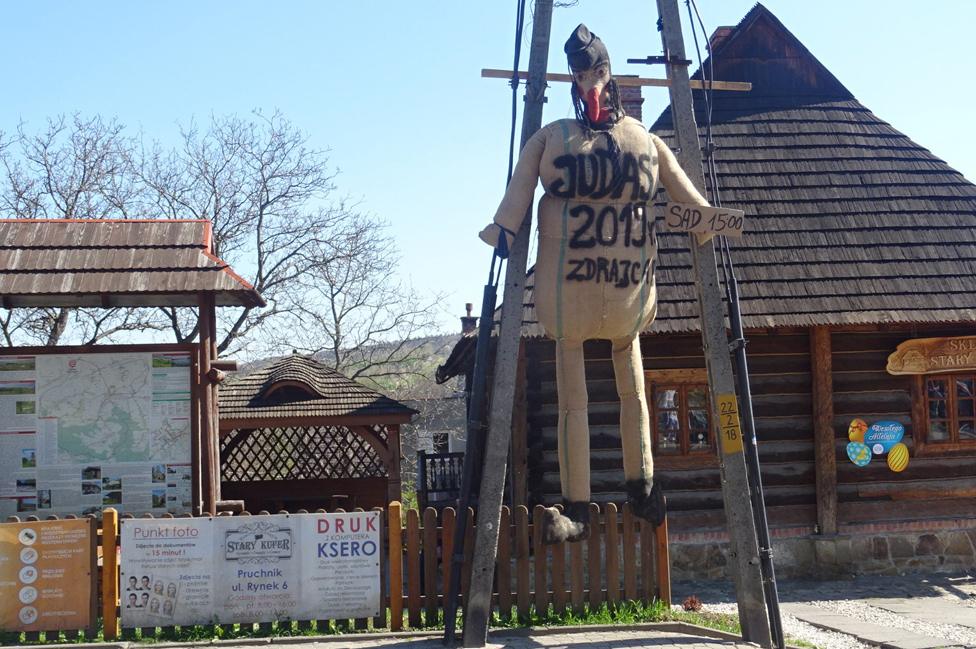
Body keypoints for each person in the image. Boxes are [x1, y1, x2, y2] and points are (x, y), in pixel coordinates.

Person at [479, 24, 709, 543]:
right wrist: (504, 228)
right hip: (575, 298)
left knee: (632, 394)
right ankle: (577, 508)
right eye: (582, 76)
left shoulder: (644, 143)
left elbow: (685, 194)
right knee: (572, 402)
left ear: (609, 76)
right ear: (574, 82)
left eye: (596, 73)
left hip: (626, 295)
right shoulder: (554, 138)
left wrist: (706, 219)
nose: (590, 84)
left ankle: (643, 488)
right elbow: (519, 189)